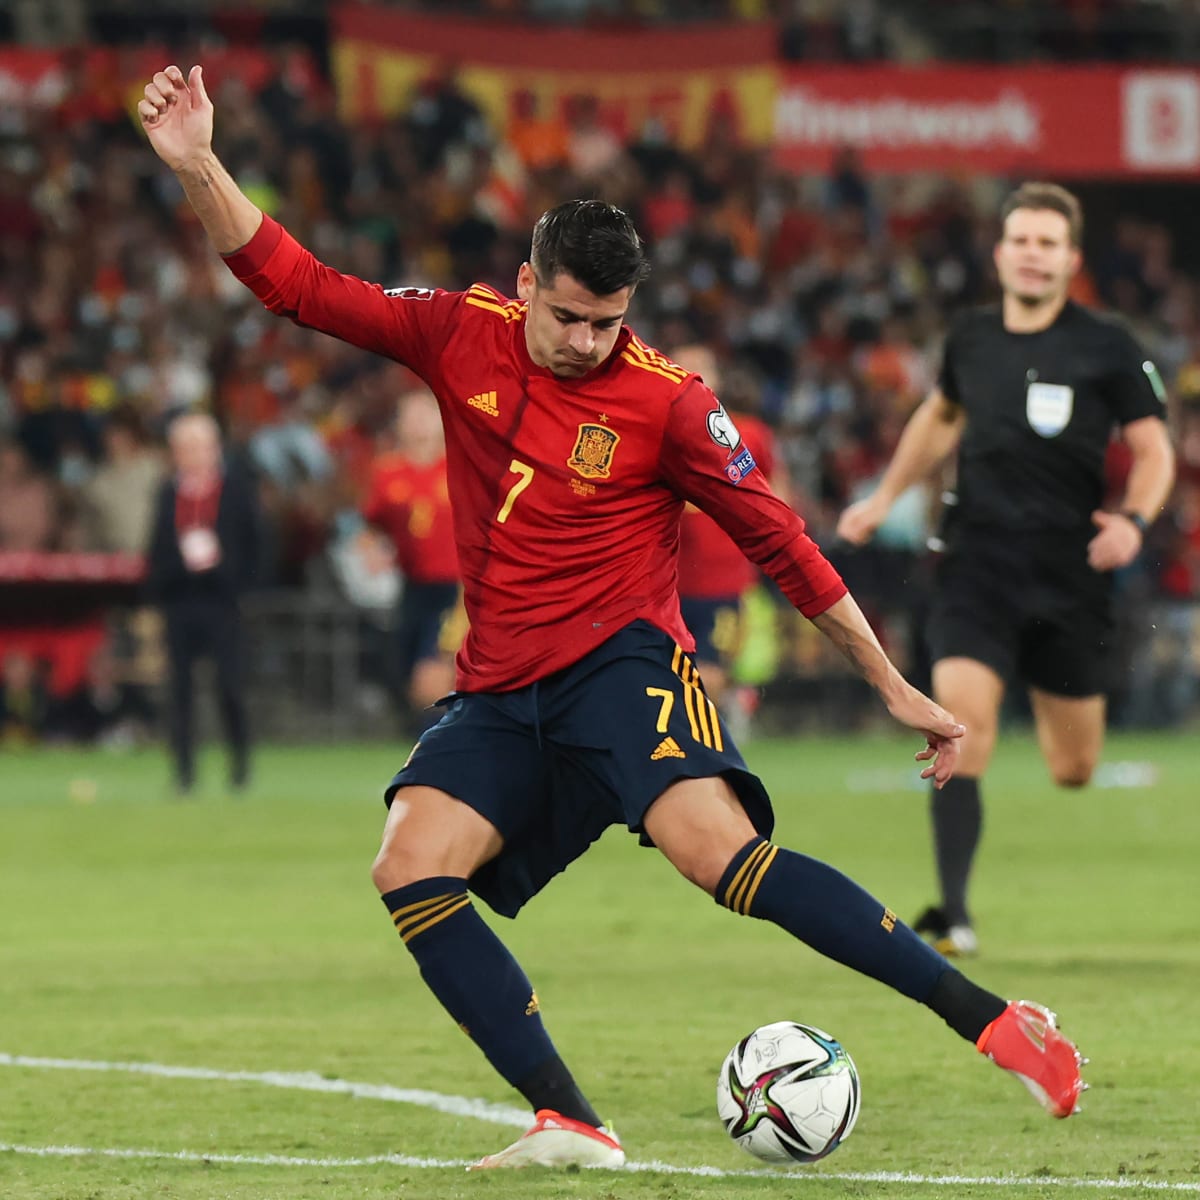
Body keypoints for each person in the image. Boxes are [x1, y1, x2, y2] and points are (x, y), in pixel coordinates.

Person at [139, 67, 1086, 1169]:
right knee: (408, 862)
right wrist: (199, 164)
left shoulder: (669, 403)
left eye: (608, 323)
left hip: (623, 668)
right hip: (502, 688)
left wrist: (890, 682)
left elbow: (781, 539)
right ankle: (571, 1121)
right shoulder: (457, 331)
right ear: (526, 284)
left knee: (721, 858)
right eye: (569, 317)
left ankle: (995, 1023)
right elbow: (297, 284)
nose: (588, 342)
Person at [837, 182, 1176, 957]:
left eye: (1047, 243)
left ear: (1071, 259)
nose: (1032, 254)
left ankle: (964, 900)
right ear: (1000, 253)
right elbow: (940, 416)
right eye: (1020, 239)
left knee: (1074, 766)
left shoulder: (1108, 344)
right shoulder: (971, 338)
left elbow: (1154, 449)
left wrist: (1132, 522)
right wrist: (883, 497)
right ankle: (953, 916)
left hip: (1069, 575)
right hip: (976, 563)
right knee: (963, 722)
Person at [671, 344, 786, 735]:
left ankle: (699, 737)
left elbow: (776, 495)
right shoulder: (652, 431)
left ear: (717, 378)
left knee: (711, 667)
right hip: (663, 582)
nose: (691, 375)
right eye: (683, 366)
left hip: (722, 580)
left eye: (701, 368)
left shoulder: (746, 433)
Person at [145, 411, 261, 795]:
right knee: (179, 690)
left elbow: (255, 542)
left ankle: (240, 765)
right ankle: (184, 771)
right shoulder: (167, 492)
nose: (193, 455)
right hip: (180, 600)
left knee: (230, 685)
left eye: (199, 447)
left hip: (222, 602)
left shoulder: (236, 490)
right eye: (185, 448)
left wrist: (236, 579)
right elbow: (157, 546)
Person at [361, 387, 463, 728]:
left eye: (425, 414)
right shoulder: (388, 472)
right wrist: (373, 552)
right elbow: (371, 527)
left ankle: (434, 746)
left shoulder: (460, 466)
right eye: (411, 415)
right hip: (412, 586)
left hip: (454, 588)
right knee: (404, 669)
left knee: (430, 674)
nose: (418, 423)